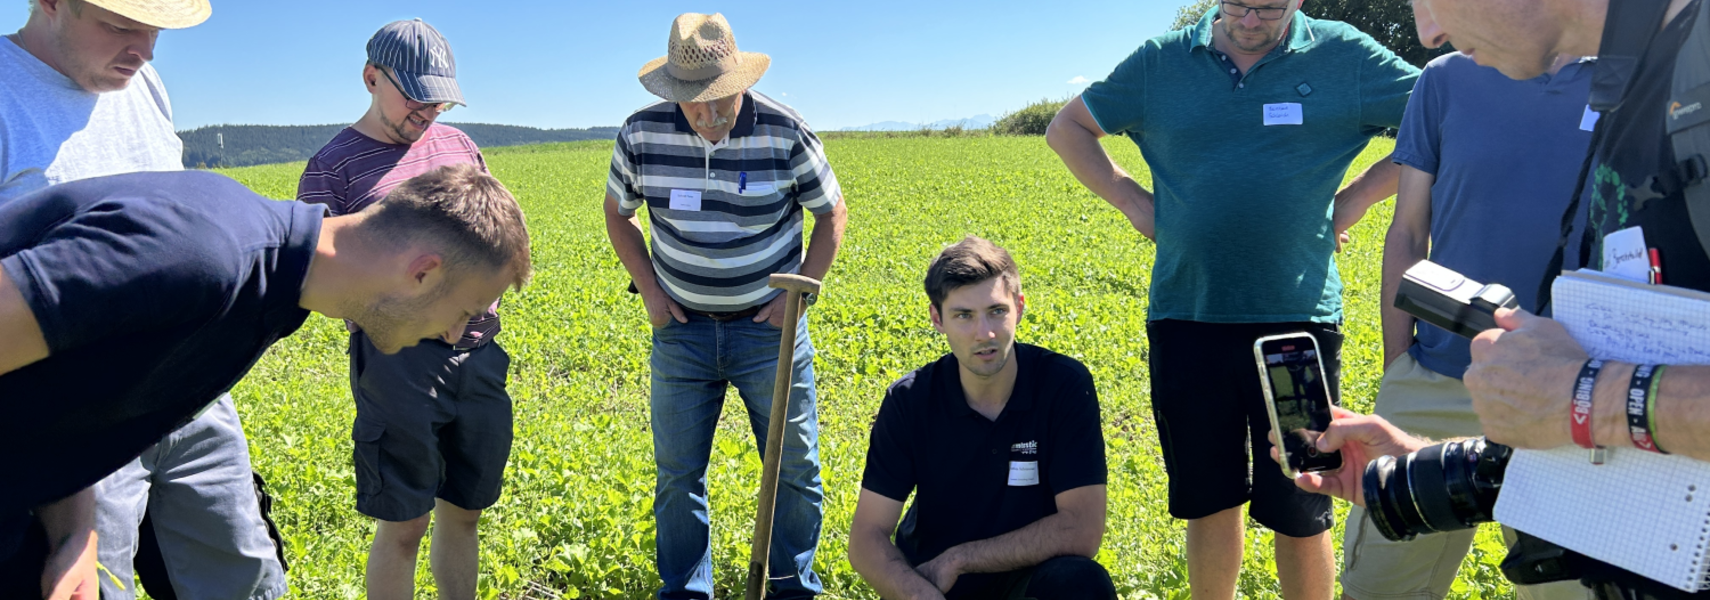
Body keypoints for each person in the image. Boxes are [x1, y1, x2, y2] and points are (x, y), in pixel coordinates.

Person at [0, 165, 532, 599]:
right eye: (463, 311)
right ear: (422, 273)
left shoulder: (272, 290)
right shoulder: (204, 253)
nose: (458, 333)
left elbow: (70, 392)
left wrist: (72, 530)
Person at [1045, 0, 1419, 597]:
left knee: (1306, 496)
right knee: (1209, 498)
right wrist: (1133, 202)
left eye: (1268, 7)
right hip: (1188, 317)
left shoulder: (1342, 54)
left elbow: (1443, 115)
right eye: (1237, 5)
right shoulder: (1161, 62)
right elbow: (1066, 129)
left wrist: (1358, 197)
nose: (1250, 21)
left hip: (1297, 324)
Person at [1, 1, 292, 599]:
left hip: (194, 399)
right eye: (121, 25)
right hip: (75, 418)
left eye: (155, 29)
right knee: (96, 586)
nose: (146, 48)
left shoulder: (143, 85)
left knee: (244, 574)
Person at [603, 12, 848, 599]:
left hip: (768, 332)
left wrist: (800, 296)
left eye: (721, 100)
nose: (709, 115)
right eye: (695, 103)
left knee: (793, 467)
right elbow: (618, 213)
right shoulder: (641, 134)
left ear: (741, 81)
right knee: (678, 474)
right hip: (681, 332)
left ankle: (791, 587)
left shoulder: (785, 132)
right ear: (674, 92)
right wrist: (652, 292)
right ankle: (688, 591)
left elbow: (831, 213)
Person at [1346, 50, 1599, 600]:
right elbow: (1408, 234)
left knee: (1570, 590)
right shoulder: (1444, 79)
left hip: (1569, 392)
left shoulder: (1634, 78)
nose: (1430, 30)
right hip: (1436, 377)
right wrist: (1398, 365)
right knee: (1379, 586)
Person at [295, 19, 509, 600]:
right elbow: (315, 280)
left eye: (438, 95)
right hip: (398, 365)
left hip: (479, 354)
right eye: (416, 92)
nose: (430, 108)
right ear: (371, 78)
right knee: (405, 524)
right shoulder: (332, 168)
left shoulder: (459, 146)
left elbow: (490, 237)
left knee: (466, 511)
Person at [847, 236, 1115, 600]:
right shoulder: (910, 400)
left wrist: (960, 559)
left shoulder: (1062, 386)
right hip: (936, 584)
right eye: (964, 316)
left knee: (1080, 583)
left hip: (1027, 581)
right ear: (936, 318)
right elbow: (867, 536)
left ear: (1019, 307)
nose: (984, 334)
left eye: (997, 311)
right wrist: (916, 593)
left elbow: (1082, 529)